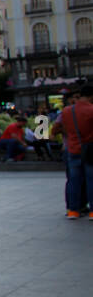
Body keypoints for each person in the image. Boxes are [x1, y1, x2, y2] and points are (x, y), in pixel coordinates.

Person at [53, 85, 93, 219]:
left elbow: (55, 129)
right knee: (91, 180)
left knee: (73, 180)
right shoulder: (91, 110)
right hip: (89, 150)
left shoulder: (66, 111)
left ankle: (73, 211)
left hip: (72, 148)